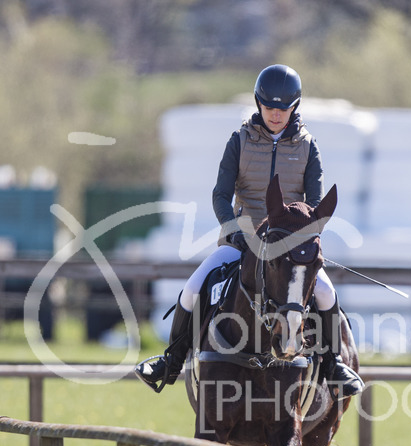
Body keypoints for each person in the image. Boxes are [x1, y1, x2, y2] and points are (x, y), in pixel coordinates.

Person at [136, 64, 364, 398]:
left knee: (327, 294)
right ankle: (172, 359)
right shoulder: (239, 141)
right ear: (259, 104)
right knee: (192, 287)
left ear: (293, 108)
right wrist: (235, 230)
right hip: (241, 240)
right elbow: (220, 195)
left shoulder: (308, 146)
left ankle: (331, 363)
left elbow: (314, 203)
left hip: (288, 247)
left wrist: (299, 238)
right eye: (270, 108)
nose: (275, 115)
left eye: (282, 109)